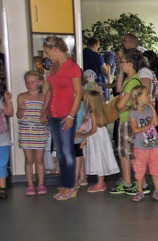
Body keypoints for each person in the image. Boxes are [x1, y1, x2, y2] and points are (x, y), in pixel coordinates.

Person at [41, 36, 83, 201]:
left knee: (67, 152)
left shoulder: (72, 68)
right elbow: (50, 90)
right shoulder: (55, 67)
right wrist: (44, 110)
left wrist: (71, 116)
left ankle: (70, 186)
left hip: (66, 115)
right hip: (53, 114)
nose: (47, 55)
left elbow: (78, 93)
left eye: (47, 51)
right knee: (60, 152)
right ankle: (65, 183)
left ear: (56, 49)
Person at [109, 50, 144, 195]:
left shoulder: (133, 82)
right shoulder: (130, 80)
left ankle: (139, 182)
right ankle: (128, 182)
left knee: (129, 154)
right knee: (124, 153)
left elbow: (120, 104)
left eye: (122, 62)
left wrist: (118, 104)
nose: (120, 65)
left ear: (131, 64)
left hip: (129, 121)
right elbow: (119, 92)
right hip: (126, 120)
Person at [78, 90, 119, 193]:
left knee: (98, 158)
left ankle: (100, 183)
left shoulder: (92, 113)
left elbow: (93, 129)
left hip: (96, 138)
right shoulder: (98, 111)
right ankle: (100, 182)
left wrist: (83, 135)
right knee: (99, 157)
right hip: (98, 137)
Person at [128, 85, 158, 201]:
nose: (149, 96)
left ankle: (157, 190)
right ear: (138, 97)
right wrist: (148, 126)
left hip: (154, 145)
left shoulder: (148, 110)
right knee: (140, 168)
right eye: (146, 94)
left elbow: (156, 123)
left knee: (155, 167)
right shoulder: (133, 113)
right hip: (141, 146)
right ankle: (140, 191)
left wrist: (152, 108)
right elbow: (135, 129)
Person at [17, 71, 48, 196]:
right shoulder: (22, 97)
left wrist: (44, 117)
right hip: (26, 132)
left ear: (40, 82)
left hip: (39, 132)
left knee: (39, 160)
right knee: (29, 160)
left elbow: (46, 114)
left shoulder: (43, 97)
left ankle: (41, 183)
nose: (29, 84)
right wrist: (22, 109)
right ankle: (30, 184)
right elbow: (19, 116)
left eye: (32, 82)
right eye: (27, 82)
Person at [0, 83, 12, 200]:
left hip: (3, 139)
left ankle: (2, 188)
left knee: (2, 164)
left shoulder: (1, 102)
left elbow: (10, 113)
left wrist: (7, 100)